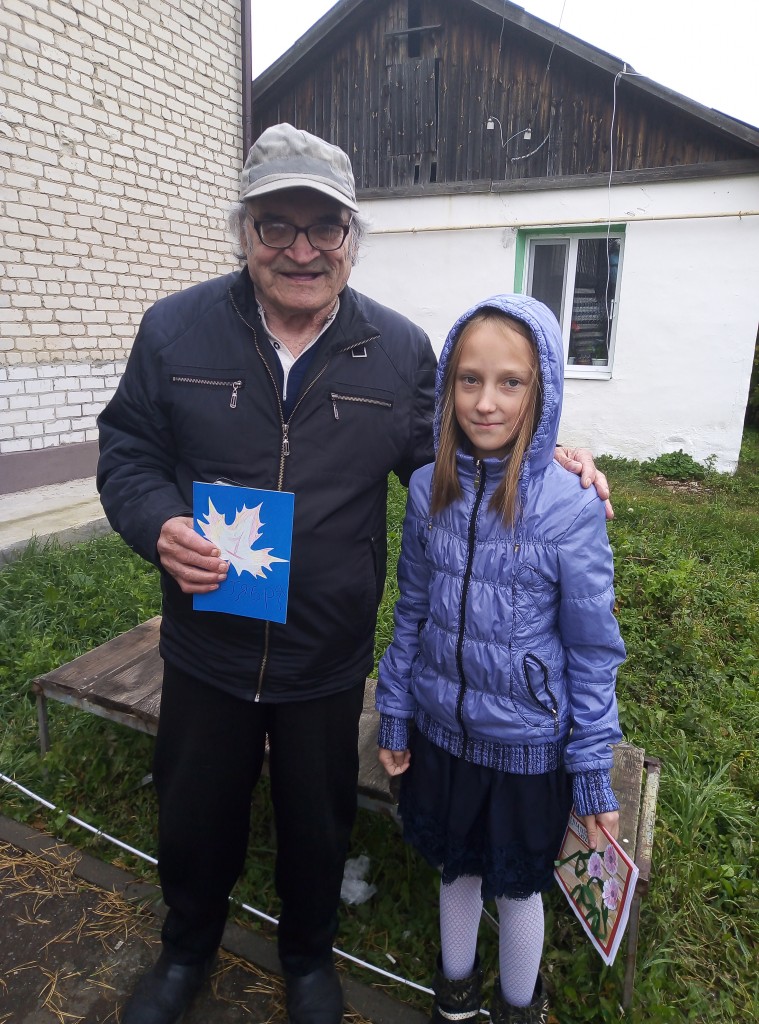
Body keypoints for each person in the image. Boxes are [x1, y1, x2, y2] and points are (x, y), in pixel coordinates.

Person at [97, 123, 609, 1024]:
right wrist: (158, 522)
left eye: (323, 227)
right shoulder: (174, 330)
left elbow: (458, 453)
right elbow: (128, 449)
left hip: (325, 657)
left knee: (316, 818)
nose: (301, 250)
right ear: (243, 231)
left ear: (352, 238)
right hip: (209, 642)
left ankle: (307, 958)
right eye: (275, 225)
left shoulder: (400, 351)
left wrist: (551, 461)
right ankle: (184, 952)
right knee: (195, 811)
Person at [375, 294, 625, 1024]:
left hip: (526, 751)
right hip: (441, 735)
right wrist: (395, 710)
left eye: (510, 382)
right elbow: (412, 610)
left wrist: (591, 769)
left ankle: (519, 1007)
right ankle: (454, 999)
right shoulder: (428, 488)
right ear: (448, 386)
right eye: (469, 380)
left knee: (516, 890)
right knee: (455, 874)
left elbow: (592, 649)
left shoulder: (569, 505)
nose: (485, 402)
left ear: (540, 389)